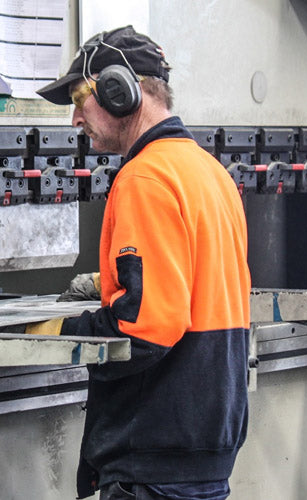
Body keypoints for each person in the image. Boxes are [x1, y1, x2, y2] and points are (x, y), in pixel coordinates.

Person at [35, 26, 252, 500]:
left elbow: (144, 330)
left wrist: (54, 331)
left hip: (156, 460)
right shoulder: (207, 171)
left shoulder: (145, 179)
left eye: (79, 98)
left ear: (118, 90)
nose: (75, 119)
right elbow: (189, 283)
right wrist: (107, 283)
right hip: (200, 451)